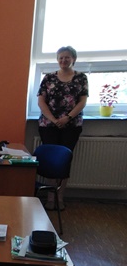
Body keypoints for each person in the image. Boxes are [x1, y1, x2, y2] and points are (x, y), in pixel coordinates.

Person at [37, 45, 88, 209]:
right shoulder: (49, 78)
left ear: (73, 59)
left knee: (64, 161)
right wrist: (53, 119)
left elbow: (82, 102)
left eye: (67, 57)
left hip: (71, 125)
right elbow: (41, 101)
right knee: (51, 161)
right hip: (48, 125)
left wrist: (68, 118)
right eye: (60, 57)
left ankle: (60, 197)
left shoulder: (81, 78)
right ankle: (50, 197)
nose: (63, 60)